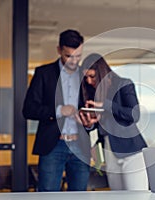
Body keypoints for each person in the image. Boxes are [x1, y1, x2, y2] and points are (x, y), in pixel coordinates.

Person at [23, 29, 95, 192]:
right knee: (48, 195)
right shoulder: (43, 73)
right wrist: (59, 110)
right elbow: (28, 109)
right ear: (59, 50)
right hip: (52, 145)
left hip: (80, 145)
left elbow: (94, 111)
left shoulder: (87, 75)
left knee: (79, 195)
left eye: (78, 56)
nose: (74, 61)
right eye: (69, 56)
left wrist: (89, 123)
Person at [79, 53, 149, 190]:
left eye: (92, 76)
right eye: (86, 77)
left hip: (132, 152)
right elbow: (101, 123)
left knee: (137, 197)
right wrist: (90, 124)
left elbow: (134, 115)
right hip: (109, 150)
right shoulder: (92, 91)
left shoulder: (124, 84)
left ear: (102, 73)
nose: (88, 81)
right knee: (117, 196)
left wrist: (104, 105)